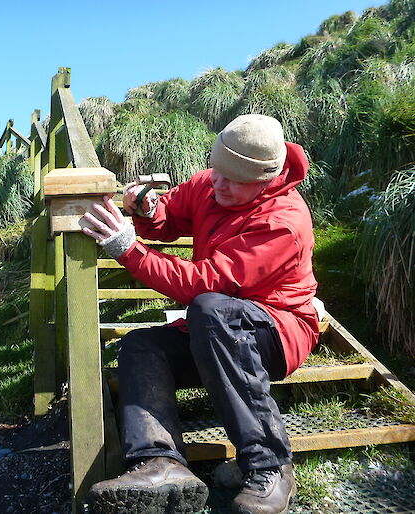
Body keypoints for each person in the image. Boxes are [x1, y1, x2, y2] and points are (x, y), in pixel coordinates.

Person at [81, 114, 319, 514]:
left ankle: (270, 465)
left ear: (265, 180)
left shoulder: (284, 222)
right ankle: (160, 462)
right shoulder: (214, 181)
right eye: (217, 171)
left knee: (209, 308)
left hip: (278, 330)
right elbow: (170, 216)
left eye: (233, 180)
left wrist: (128, 250)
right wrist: (147, 207)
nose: (217, 184)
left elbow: (204, 284)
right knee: (142, 345)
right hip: (218, 325)